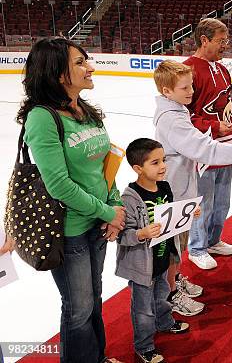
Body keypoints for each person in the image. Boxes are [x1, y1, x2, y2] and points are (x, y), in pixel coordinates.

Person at [13, 37, 125, 363]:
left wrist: (114, 206)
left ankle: (97, 357)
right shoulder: (42, 118)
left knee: (95, 298)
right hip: (70, 228)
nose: (90, 67)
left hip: (99, 222)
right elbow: (59, 185)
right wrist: (107, 211)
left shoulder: (84, 109)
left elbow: (107, 162)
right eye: (80, 62)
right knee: (78, 309)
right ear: (57, 72)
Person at [152, 60, 232, 313]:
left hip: (181, 190)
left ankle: (175, 281)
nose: (191, 92)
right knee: (171, 248)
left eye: (191, 86)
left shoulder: (178, 110)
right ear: (167, 91)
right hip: (174, 194)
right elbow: (204, 149)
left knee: (177, 246)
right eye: (184, 88)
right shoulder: (172, 119)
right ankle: (168, 296)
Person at [183, 18, 232, 270]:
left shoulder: (222, 69)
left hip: (227, 146)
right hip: (204, 149)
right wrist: (213, 127)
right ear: (204, 40)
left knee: (223, 200)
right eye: (221, 41)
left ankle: (213, 240)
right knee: (204, 202)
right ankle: (197, 247)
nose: (225, 45)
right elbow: (184, 115)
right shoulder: (188, 70)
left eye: (226, 40)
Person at [117, 138, 192, 363]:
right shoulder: (129, 198)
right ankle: (144, 345)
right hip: (142, 266)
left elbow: (171, 218)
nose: (163, 166)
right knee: (143, 310)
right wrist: (141, 234)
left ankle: (165, 322)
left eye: (164, 160)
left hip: (162, 259)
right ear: (137, 168)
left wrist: (187, 214)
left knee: (162, 296)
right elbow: (122, 235)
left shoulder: (165, 187)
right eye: (155, 162)